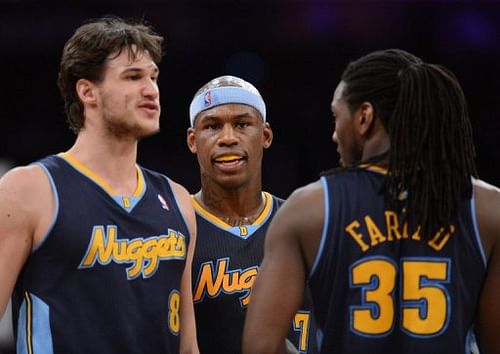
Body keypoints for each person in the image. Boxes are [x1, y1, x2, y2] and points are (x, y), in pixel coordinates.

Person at [242, 48, 500, 354]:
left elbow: (261, 346)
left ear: (364, 117)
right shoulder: (487, 208)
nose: (335, 135)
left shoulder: (310, 208)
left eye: (337, 116)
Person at [0, 16, 199, 354]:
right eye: (133, 77)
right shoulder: (30, 190)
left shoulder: (178, 200)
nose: (151, 90)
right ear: (87, 91)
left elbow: (188, 345)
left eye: (153, 77)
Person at [187, 75, 318, 353]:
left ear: (266, 135)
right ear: (192, 140)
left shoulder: (305, 224)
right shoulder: (175, 228)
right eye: (212, 126)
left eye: (242, 124)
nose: (228, 138)